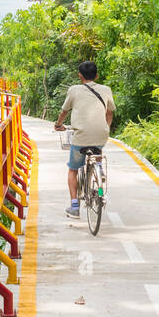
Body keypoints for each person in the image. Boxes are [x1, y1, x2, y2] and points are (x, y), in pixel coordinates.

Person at [53, 61, 115, 218]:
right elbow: (109, 114)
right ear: (97, 75)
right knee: (97, 149)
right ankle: (99, 168)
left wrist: (58, 124)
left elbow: (64, 111)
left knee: (73, 170)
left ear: (79, 76)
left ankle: (74, 207)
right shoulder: (106, 89)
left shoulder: (74, 90)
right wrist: (106, 127)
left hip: (80, 137)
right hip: (101, 134)